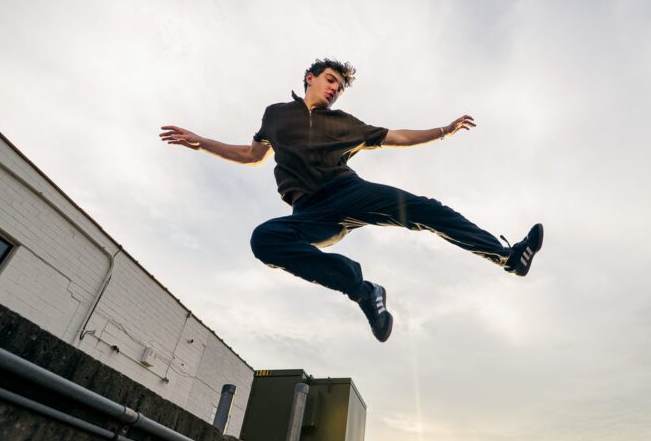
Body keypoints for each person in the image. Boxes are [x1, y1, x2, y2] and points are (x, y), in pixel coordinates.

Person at [160, 58, 542, 342]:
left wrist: (444, 130)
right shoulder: (275, 115)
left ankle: (507, 257)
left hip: (349, 191)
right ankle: (363, 290)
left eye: (340, 86)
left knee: (424, 209)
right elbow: (252, 155)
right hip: (310, 212)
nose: (334, 89)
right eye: (330, 81)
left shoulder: (345, 123)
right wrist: (201, 142)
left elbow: (398, 136)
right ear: (309, 78)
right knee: (264, 239)